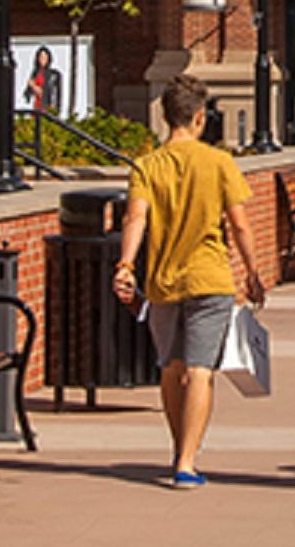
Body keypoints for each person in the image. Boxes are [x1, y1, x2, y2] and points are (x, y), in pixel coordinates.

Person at [113, 77, 268, 487]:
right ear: (200, 117)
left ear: (165, 117)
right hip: (210, 278)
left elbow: (136, 219)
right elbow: (239, 224)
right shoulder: (217, 162)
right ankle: (187, 461)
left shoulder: (147, 166)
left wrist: (125, 266)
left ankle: (177, 444)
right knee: (200, 370)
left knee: (170, 366)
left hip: (163, 281)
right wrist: (253, 271)